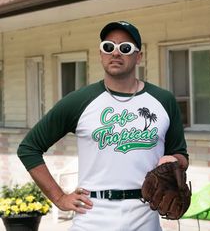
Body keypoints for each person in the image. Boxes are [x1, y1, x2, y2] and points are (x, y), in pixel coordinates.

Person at [17, 21, 189, 231]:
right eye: (108, 47)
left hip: (145, 216)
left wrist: (174, 160)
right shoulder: (80, 100)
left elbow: (180, 155)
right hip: (93, 217)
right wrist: (59, 197)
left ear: (139, 57)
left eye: (125, 48)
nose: (115, 53)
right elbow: (29, 148)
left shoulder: (163, 100)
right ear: (101, 54)